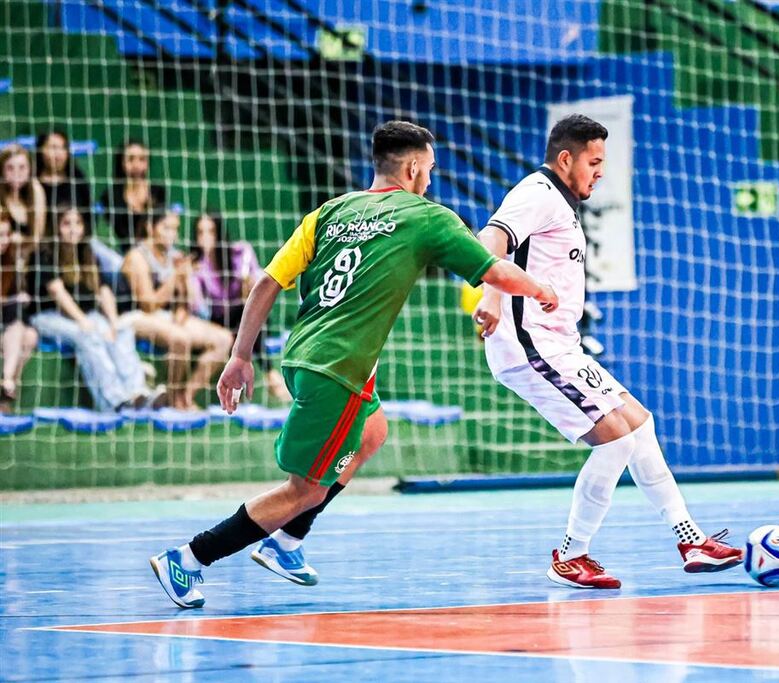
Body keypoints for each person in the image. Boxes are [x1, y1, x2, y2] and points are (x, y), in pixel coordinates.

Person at [149, 120, 557, 609]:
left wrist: (239, 357)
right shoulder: (426, 216)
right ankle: (190, 558)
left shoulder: (329, 213)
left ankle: (286, 544)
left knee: (372, 432)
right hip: (337, 369)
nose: (429, 179)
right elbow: (494, 271)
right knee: (303, 490)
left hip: (304, 355)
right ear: (412, 168)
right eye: (428, 169)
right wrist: (541, 289)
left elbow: (265, 285)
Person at [472, 114, 743, 589]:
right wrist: (492, 294)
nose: (600, 172)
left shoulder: (558, 201)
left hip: (560, 345)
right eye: (594, 162)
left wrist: (498, 293)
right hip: (530, 344)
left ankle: (690, 539)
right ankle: (571, 554)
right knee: (615, 439)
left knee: (639, 424)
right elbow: (490, 241)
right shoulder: (537, 192)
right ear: (565, 158)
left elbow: (512, 252)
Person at [26, 206, 163, 412]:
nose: (73, 229)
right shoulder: (44, 255)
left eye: (78, 223)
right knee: (87, 335)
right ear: (56, 227)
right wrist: (83, 321)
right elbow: (58, 294)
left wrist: (113, 322)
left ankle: (138, 393)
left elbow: (102, 290)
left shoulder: (87, 253)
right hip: (47, 316)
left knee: (121, 330)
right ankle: (114, 402)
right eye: (66, 224)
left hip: (86, 314)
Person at [121, 207, 233, 410]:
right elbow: (147, 304)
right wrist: (176, 276)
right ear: (150, 227)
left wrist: (182, 310)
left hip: (166, 318)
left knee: (224, 340)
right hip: (135, 318)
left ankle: (186, 396)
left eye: (175, 229)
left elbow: (183, 302)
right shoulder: (136, 257)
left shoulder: (176, 256)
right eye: (166, 228)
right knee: (180, 338)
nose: (171, 234)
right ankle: (173, 401)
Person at [190, 212, 290, 401]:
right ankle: (271, 375)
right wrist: (189, 280)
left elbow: (260, 284)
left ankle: (268, 376)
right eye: (200, 232)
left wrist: (249, 283)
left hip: (246, 315)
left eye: (210, 231)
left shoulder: (240, 252)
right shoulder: (198, 266)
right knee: (244, 319)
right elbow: (199, 309)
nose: (205, 237)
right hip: (217, 321)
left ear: (219, 233)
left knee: (250, 313)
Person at [0, 210, 38, 412]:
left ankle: (6, 386)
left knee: (29, 335)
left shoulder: (10, 262)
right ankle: (6, 389)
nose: (3, 240)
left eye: (6, 234)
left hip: (7, 330)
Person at [100, 140, 166, 253]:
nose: (136, 165)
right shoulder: (110, 196)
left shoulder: (158, 191)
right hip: (122, 254)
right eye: (130, 159)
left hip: (154, 252)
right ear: (121, 162)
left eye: (141, 159)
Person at [0, 144, 47, 257]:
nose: (16, 173)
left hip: (28, 257)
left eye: (22, 167)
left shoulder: (35, 190)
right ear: (2, 170)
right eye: (10, 168)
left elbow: (37, 237)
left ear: (29, 169)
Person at [36, 130, 92, 215]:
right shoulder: (32, 180)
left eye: (63, 148)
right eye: (53, 147)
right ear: (41, 150)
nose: (58, 153)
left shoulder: (77, 179)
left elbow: (88, 214)